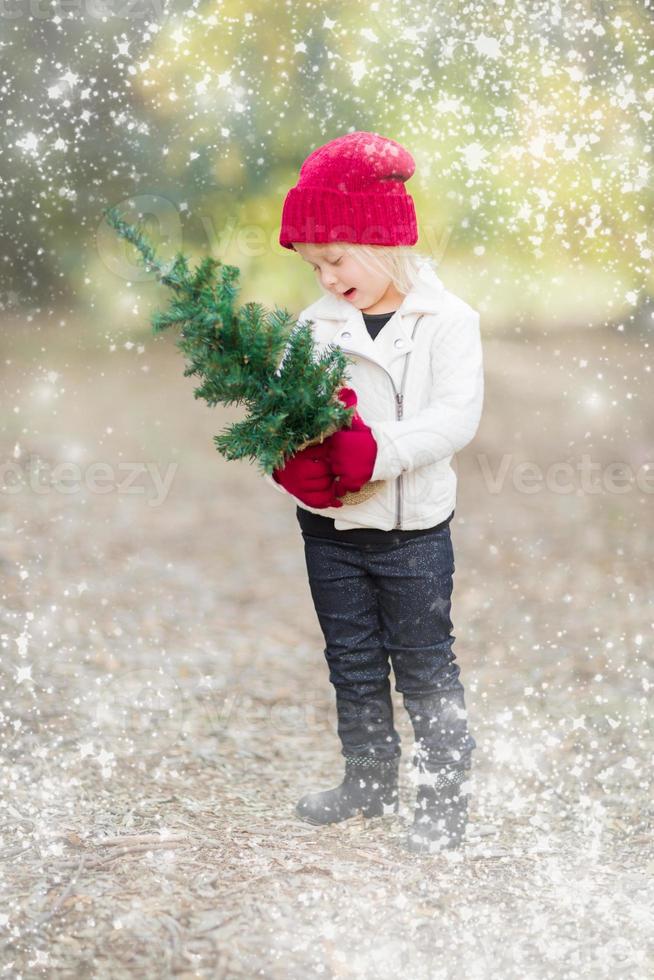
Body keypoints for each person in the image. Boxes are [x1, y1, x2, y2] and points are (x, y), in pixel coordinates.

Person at [264, 131, 484, 854]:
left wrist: (375, 455)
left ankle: (446, 798)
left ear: (382, 240)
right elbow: (288, 411)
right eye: (313, 264)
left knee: (423, 661)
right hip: (330, 530)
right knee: (352, 656)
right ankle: (367, 777)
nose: (325, 277)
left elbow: (454, 419)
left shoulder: (446, 322)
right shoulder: (316, 326)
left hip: (413, 530)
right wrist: (292, 456)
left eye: (335, 258)